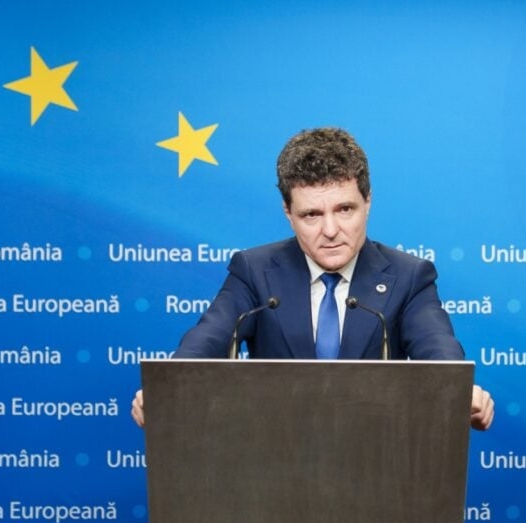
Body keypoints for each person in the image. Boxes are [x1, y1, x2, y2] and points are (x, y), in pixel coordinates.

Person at [132, 127, 494, 430]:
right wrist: (168, 387)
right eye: (311, 215)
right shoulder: (254, 271)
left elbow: (438, 350)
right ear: (288, 213)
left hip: (378, 461)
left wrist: (460, 392)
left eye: (345, 209)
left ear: (368, 202)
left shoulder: (409, 276)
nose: (331, 230)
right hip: (273, 463)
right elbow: (207, 340)